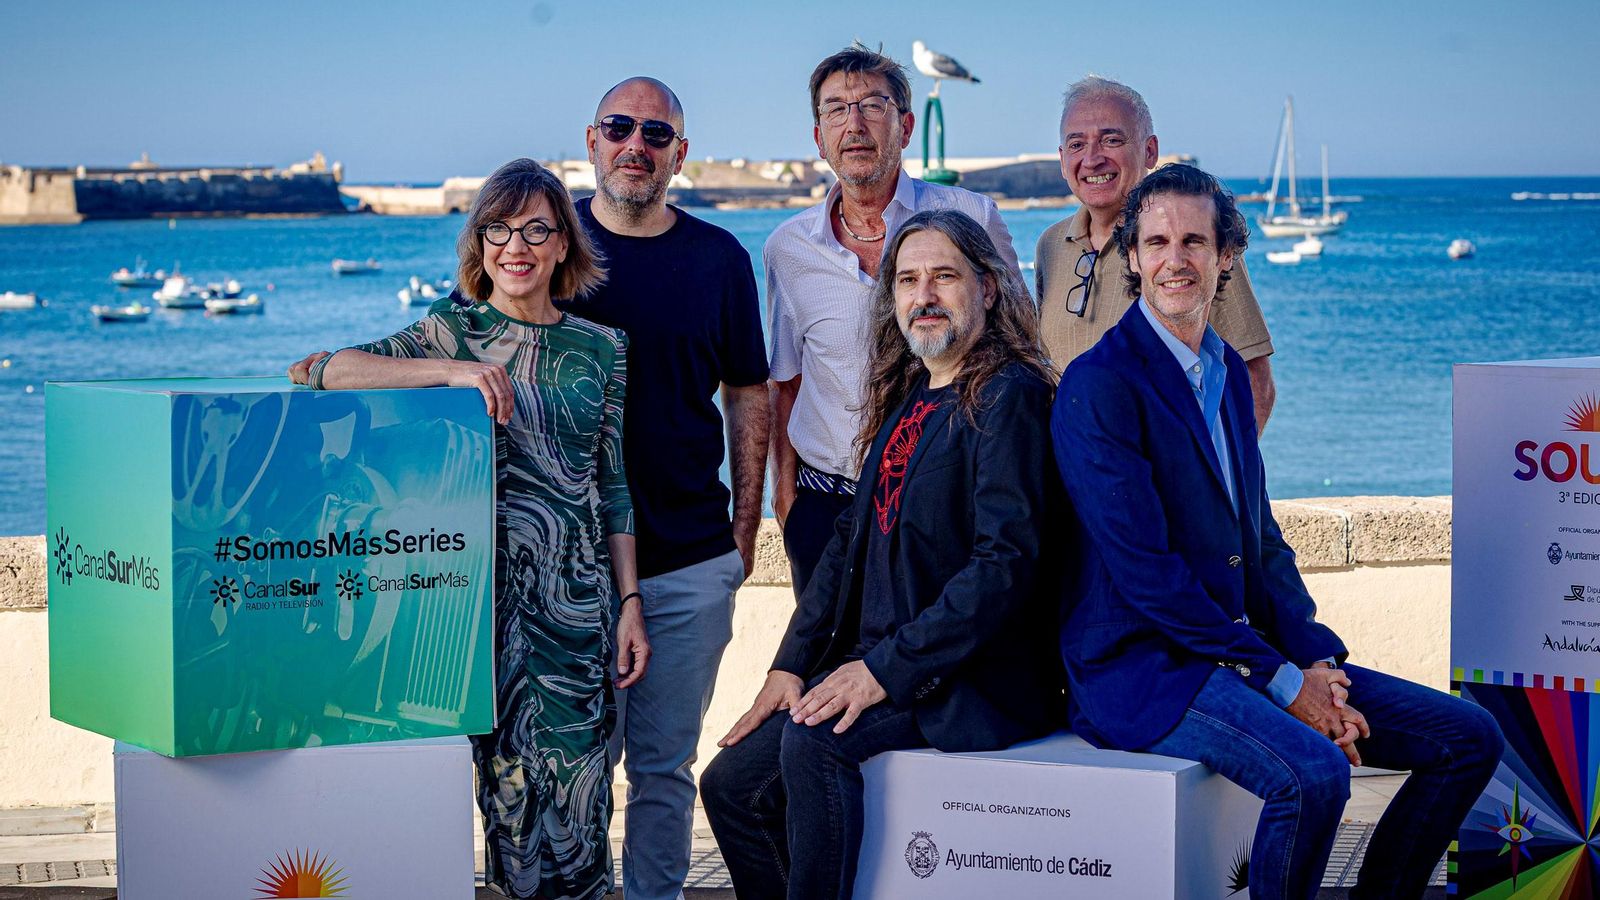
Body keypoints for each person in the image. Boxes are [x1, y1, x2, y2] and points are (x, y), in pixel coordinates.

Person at [1051, 163, 1502, 899]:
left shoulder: (1226, 371)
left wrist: (1316, 659)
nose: (1175, 260)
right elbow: (1147, 575)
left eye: (1195, 242)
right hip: (1144, 669)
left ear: (1226, 256)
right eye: (1157, 242)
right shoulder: (1099, 385)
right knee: (1314, 774)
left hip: (1237, 651)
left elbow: (1259, 539)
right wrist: (1287, 684)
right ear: (1131, 255)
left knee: (1468, 739)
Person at [289, 158, 648, 900]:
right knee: (508, 801)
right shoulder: (451, 331)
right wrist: (451, 373)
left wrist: (631, 603)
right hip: (477, 610)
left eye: (536, 230)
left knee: (584, 798)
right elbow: (319, 370)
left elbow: (612, 485)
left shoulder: (603, 348)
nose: (516, 246)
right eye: (498, 229)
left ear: (562, 245)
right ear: (479, 244)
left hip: (577, 611)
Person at [702, 209, 1063, 900]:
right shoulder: (911, 395)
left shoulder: (1009, 395)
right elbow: (847, 542)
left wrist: (881, 673)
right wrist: (789, 666)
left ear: (988, 288)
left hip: (963, 677)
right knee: (730, 786)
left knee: (815, 743)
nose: (924, 295)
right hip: (882, 660)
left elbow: (1004, 566)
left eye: (944, 277)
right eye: (907, 280)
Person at [561, 76, 770, 900]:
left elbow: (748, 392)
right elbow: (470, 351)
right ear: (592, 141)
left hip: (688, 562)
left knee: (663, 772)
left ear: (679, 154)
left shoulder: (719, 260)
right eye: (620, 128)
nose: (635, 146)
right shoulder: (545, 245)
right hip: (568, 571)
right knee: (573, 772)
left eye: (656, 134)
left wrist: (743, 531)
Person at [765, 43, 1022, 599]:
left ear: (905, 127)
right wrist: (786, 501)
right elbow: (785, 382)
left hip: (945, 503)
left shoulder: (972, 217)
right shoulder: (787, 248)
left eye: (872, 106)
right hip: (826, 505)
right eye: (836, 109)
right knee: (823, 655)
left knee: (936, 651)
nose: (854, 124)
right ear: (819, 138)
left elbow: (1020, 352)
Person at [1037, 76, 1278, 432]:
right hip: (1071, 465)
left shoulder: (1190, 250)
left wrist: (1216, 465)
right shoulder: (1051, 245)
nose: (1092, 159)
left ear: (1150, 151)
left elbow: (1255, 382)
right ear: (1062, 160)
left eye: (1111, 140)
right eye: (1077, 144)